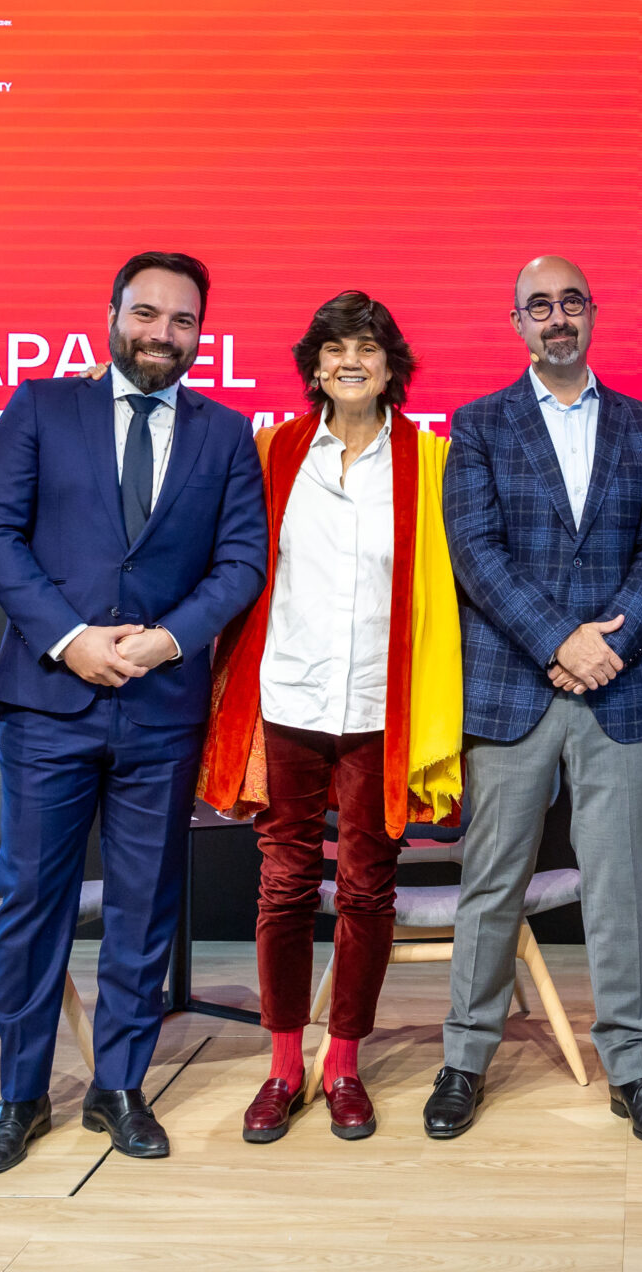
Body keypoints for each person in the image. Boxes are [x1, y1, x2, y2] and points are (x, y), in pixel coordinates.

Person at [0, 252, 266, 1173]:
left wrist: (168, 640)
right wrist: (72, 638)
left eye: (182, 321)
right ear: (111, 315)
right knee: (32, 904)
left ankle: (120, 1086)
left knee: (144, 907)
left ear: (201, 333)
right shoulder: (42, 408)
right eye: (146, 314)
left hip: (163, 705)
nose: (161, 335)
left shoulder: (225, 434)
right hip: (52, 700)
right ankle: (19, 1095)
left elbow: (242, 562)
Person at [429, 255, 642, 1146]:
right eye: (538, 307)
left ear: (593, 313)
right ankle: (465, 1060)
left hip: (614, 690)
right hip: (513, 685)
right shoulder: (481, 424)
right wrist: (560, 641)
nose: (557, 319)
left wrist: (607, 645)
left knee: (619, 887)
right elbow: (475, 550)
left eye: (570, 302)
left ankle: (632, 1067)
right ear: (517, 324)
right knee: (492, 883)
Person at [197, 292, 464, 1144]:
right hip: (286, 702)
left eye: (369, 348)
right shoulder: (270, 452)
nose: (352, 361)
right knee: (281, 887)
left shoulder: (432, 461)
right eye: (336, 348)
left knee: (365, 889)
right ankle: (282, 1066)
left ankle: (343, 1063)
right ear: (315, 366)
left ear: (393, 368)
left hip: (382, 708)